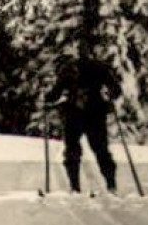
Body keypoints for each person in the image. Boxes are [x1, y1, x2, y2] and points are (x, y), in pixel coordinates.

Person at [46, 54, 122, 194]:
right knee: (100, 150)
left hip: (75, 113)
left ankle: (75, 186)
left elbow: (56, 91)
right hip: (95, 113)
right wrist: (110, 96)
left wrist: (49, 98)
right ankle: (111, 185)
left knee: (73, 150)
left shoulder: (69, 68)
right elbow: (116, 90)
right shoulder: (100, 67)